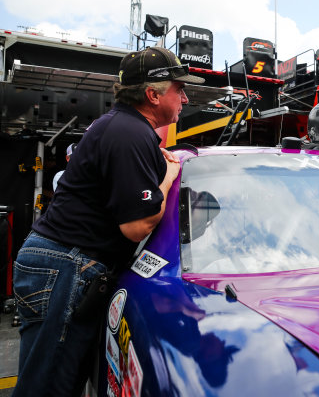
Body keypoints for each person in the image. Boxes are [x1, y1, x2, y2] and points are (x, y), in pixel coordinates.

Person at [12, 46, 204, 397]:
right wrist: (170, 174)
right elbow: (137, 226)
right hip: (66, 266)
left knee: (53, 381)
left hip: (60, 263)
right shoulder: (130, 133)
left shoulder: (120, 127)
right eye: (179, 89)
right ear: (152, 94)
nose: (186, 97)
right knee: (48, 388)